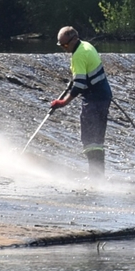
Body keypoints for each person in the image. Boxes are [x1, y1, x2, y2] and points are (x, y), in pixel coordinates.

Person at [50, 26, 112, 177]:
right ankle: (98, 174)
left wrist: (64, 102)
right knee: (97, 138)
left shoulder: (78, 54)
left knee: (89, 139)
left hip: (94, 99)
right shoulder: (87, 46)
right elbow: (81, 77)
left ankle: (95, 176)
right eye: (61, 46)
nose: (64, 49)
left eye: (65, 45)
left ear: (74, 39)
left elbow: (79, 84)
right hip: (103, 97)